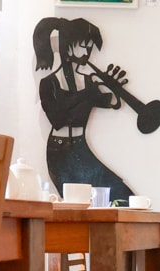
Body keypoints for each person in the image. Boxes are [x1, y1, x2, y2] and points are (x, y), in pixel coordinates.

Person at [33, 17, 135, 202]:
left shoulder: (88, 81)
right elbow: (57, 118)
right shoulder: (48, 83)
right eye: (83, 45)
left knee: (124, 197)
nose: (87, 52)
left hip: (81, 147)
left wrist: (113, 88)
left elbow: (111, 103)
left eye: (89, 47)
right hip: (60, 151)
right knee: (81, 203)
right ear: (68, 45)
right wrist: (87, 94)